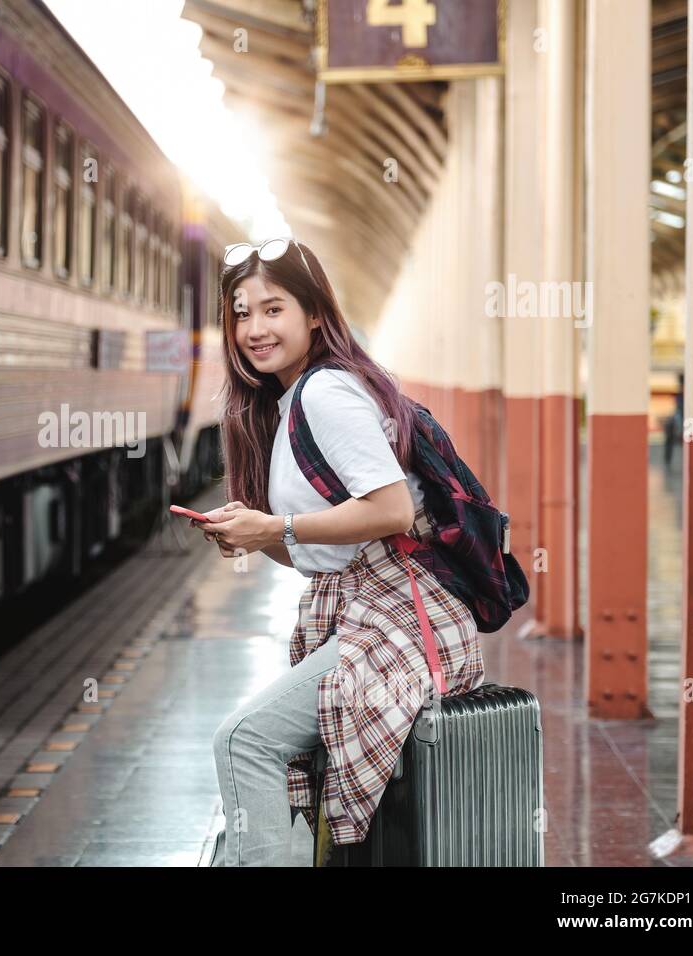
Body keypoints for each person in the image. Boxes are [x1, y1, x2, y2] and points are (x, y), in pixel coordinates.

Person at [197, 238, 484, 866]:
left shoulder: (325, 393)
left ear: (315, 315)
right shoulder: (292, 400)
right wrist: (257, 533)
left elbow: (390, 511)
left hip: (401, 619)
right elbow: (317, 552)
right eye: (241, 313)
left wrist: (277, 528)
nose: (254, 328)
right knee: (257, 746)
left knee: (244, 741)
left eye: (273, 309)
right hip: (368, 611)